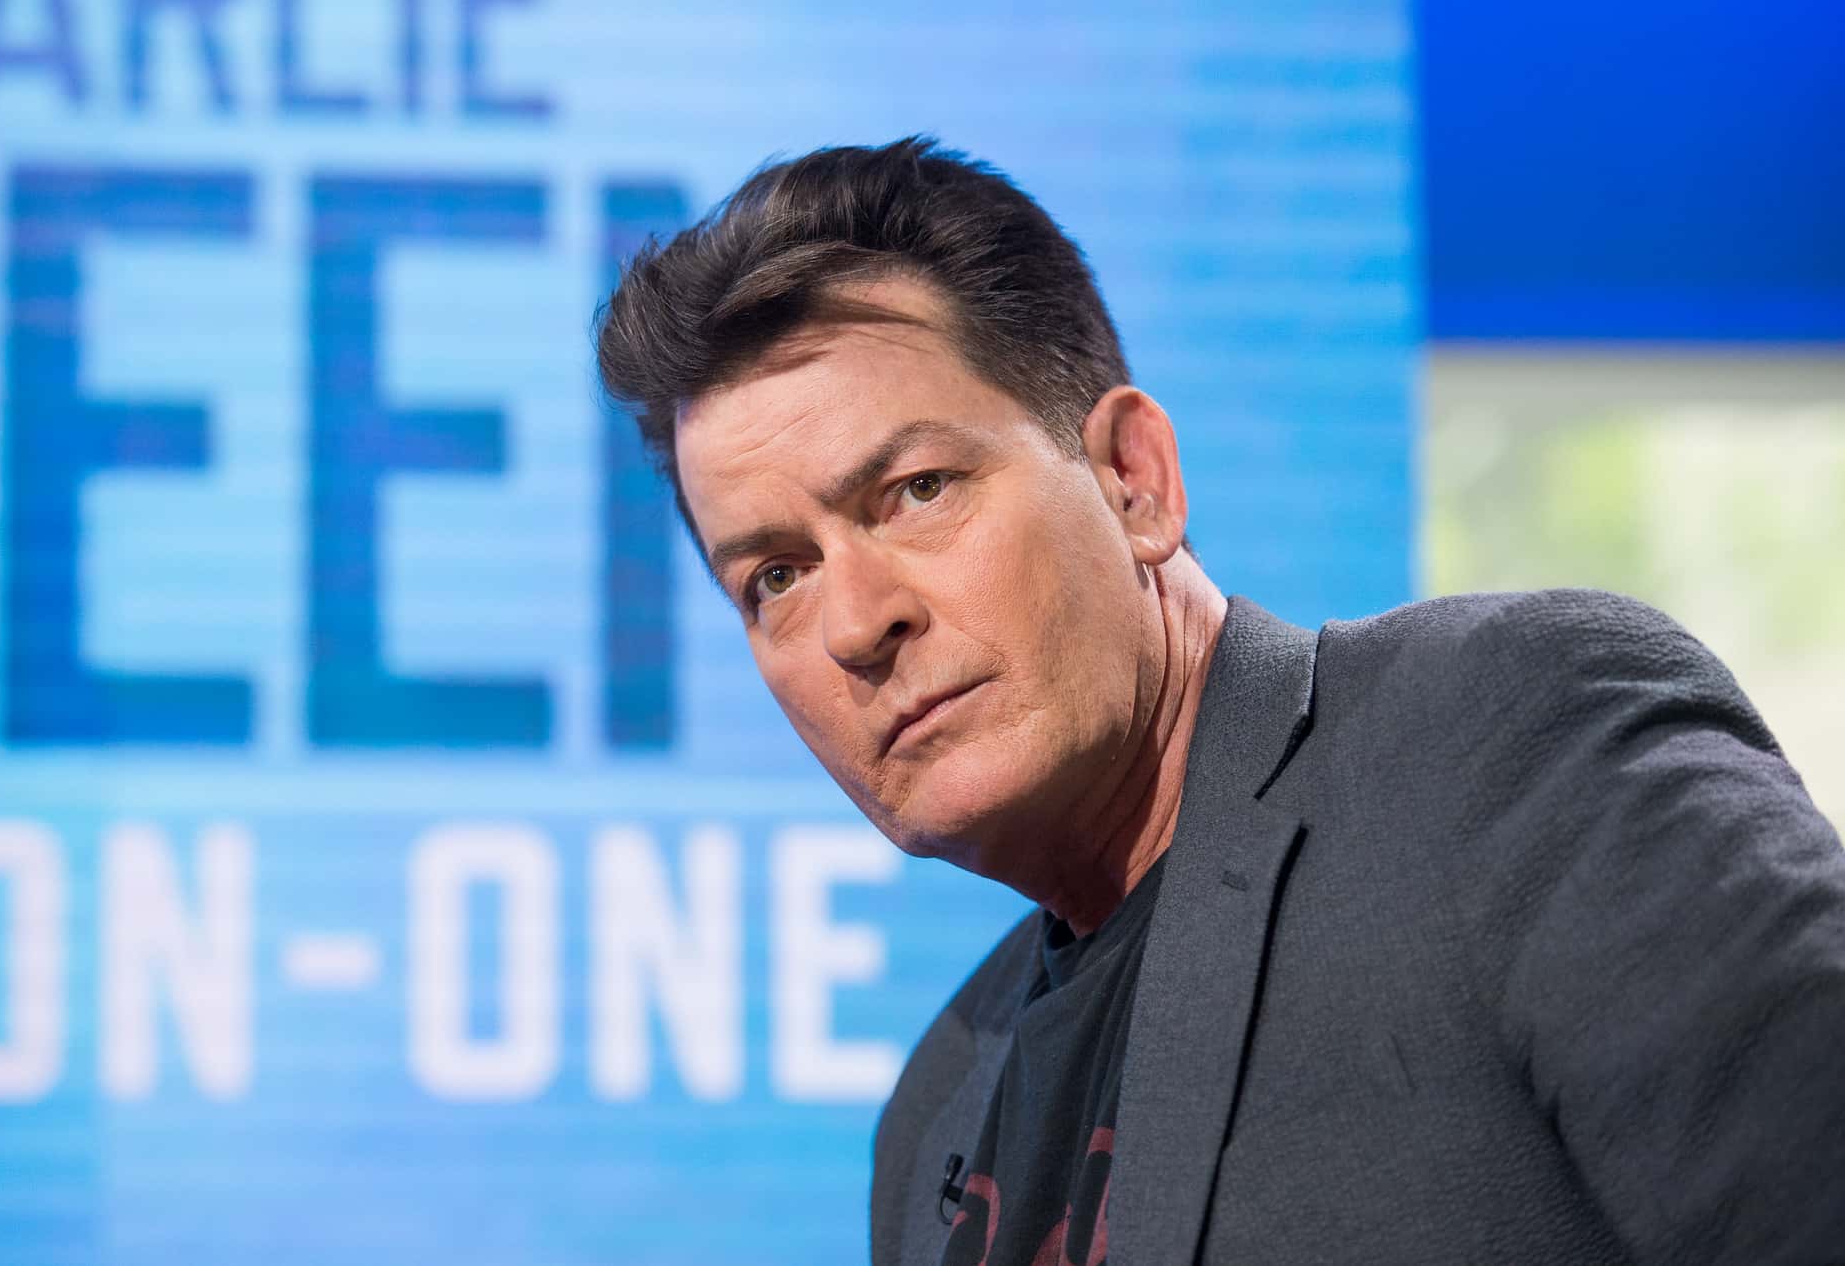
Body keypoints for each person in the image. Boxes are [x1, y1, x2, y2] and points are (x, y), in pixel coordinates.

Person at [593, 137, 1845, 1265]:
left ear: (1131, 479)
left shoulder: (1508, 742)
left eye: (916, 489)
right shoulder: (933, 1113)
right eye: (775, 576)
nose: (856, 623)